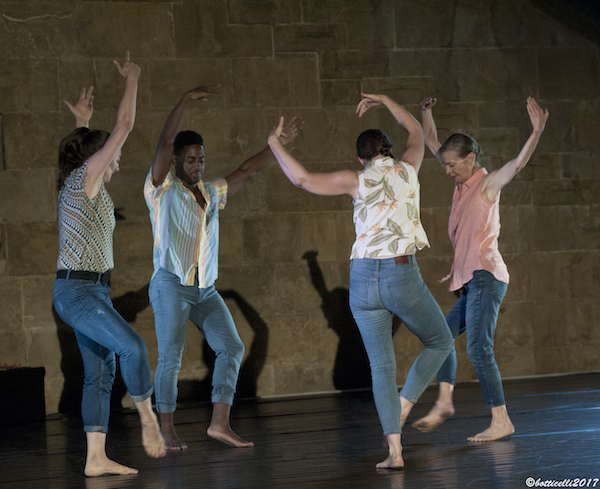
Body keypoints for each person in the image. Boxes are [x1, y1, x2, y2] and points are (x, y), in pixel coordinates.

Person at [267, 93, 453, 469]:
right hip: (401, 273)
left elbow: (301, 179)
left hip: (363, 279)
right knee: (441, 340)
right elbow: (416, 129)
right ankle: (405, 401)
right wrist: (384, 99)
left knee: (381, 368)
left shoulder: (355, 179)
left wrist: (274, 142)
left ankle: (395, 453)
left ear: (361, 159)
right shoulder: (408, 168)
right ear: (388, 151)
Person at [144, 85, 302, 450]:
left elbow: (247, 169)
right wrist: (184, 99)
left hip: (205, 288)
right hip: (171, 283)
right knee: (171, 356)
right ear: (174, 162)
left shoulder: (211, 191)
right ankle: (164, 429)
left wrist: (277, 145)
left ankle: (219, 423)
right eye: (190, 160)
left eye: (201, 160)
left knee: (231, 348)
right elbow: (166, 139)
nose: (197, 165)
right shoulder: (161, 189)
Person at [52, 51, 166, 477]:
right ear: (96, 160)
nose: (116, 161)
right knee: (132, 348)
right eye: (111, 156)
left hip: (90, 291)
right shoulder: (86, 178)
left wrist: (82, 121)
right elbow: (124, 128)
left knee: (101, 371)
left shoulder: (78, 179)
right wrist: (133, 79)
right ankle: (149, 422)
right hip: (77, 292)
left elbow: (85, 147)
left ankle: (95, 458)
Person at [412, 96, 549, 442]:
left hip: (486, 275)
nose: (447, 171)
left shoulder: (486, 185)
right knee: (440, 338)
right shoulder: (461, 185)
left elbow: (516, 165)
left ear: (471, 159)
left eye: (452, 166)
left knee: (478, 348)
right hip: (472, 282)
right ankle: (444, 401)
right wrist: (426, 113)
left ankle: (501, 419)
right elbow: (432, 144)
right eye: (445, 166)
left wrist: (536, 132)